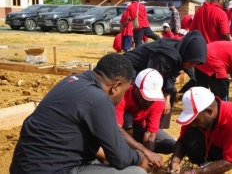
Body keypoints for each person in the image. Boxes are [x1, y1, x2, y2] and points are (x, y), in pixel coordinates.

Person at [10, 54, 150, 174]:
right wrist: (140, 157)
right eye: (124, 92)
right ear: (116, 87)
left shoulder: (71, 82)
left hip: (24, 167)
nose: (122, 97)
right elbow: (121, 158)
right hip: (53, 170)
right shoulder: (99, 99)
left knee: (98, 160)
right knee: (135, 171)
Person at [123, 30, 207, 129]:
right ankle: (139, 124)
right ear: (188, 52)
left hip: (148, 73)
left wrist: (167, 99)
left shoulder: (180, 53)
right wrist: (163, 100)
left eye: (195, 64)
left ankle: (157, 127)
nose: (191, 66)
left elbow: (170, 77)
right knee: (148, 93)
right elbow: (152, 80)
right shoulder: (166, 55)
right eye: (192, 62)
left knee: (172, 92)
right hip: (129, 69)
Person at [115, 69, 176, 155]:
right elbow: (116, 128)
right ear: (135, 88)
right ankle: (126, 152)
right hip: (123, 129)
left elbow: (151, 133)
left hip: (139, 129)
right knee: (127, 117)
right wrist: (142, 150)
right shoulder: (122, 95)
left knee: (171, 144)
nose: (148, 102)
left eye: (151, 98)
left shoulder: (158, 101)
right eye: (146, 97)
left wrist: (148, 154)